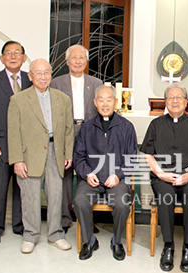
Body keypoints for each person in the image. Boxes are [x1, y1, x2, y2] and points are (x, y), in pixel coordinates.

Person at [7, 58, 74, 254]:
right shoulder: (18, 99)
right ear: (30, 76)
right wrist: (17, 159)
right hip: (29, 155)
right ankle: (30, 235)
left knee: (56, 195)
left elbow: (69, 129)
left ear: (51, 75)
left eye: (46, 72)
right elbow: (13, 132)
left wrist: (67, 153)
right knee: (30, 196)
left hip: (55, 152)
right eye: (38, 73)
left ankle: (55, 234)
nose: (43, 77)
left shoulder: (63, 99)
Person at [140, 84, 188, 272]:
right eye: (171, 97)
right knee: (165, 196)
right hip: (162, 177)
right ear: (165, 102)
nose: (175, 100)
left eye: (179, 97)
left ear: (186, 102)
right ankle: (168, 246)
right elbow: (148, 154)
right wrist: (161, 174)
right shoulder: (156, 124)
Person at [73, 85, 137, 261]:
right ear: (95, 102)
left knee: (122, 204)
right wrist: (87, 173)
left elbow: (132, 158)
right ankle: (89, 241)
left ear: (116, 102)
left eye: (109, 99)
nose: (105, 104)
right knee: (79, 201)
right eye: (101, 100)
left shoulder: (126, 127)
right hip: (91, 179)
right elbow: (78, 157)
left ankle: (116, 241)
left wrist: (117, 174)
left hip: (117, 179)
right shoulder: (86, 128)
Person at [50, 44, 103, 233]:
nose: (78, 61)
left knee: (87, 175)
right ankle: (64, 219)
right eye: (74, 58)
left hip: (89, 132)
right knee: (63, 176)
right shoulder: (56, 83)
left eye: (82, 58)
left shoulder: (97, 83)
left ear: (86, 61)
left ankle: (86, 220)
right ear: (67, 61)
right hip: (65, 132)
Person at [0, 41, 32, 245]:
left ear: (23, 57)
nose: (13, 56)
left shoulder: (31, 81)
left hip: (26, 144)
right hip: (0, 144)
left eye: (17, 53)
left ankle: (20, 224)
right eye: (8, 53)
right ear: (1, 58)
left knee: (23, 186)